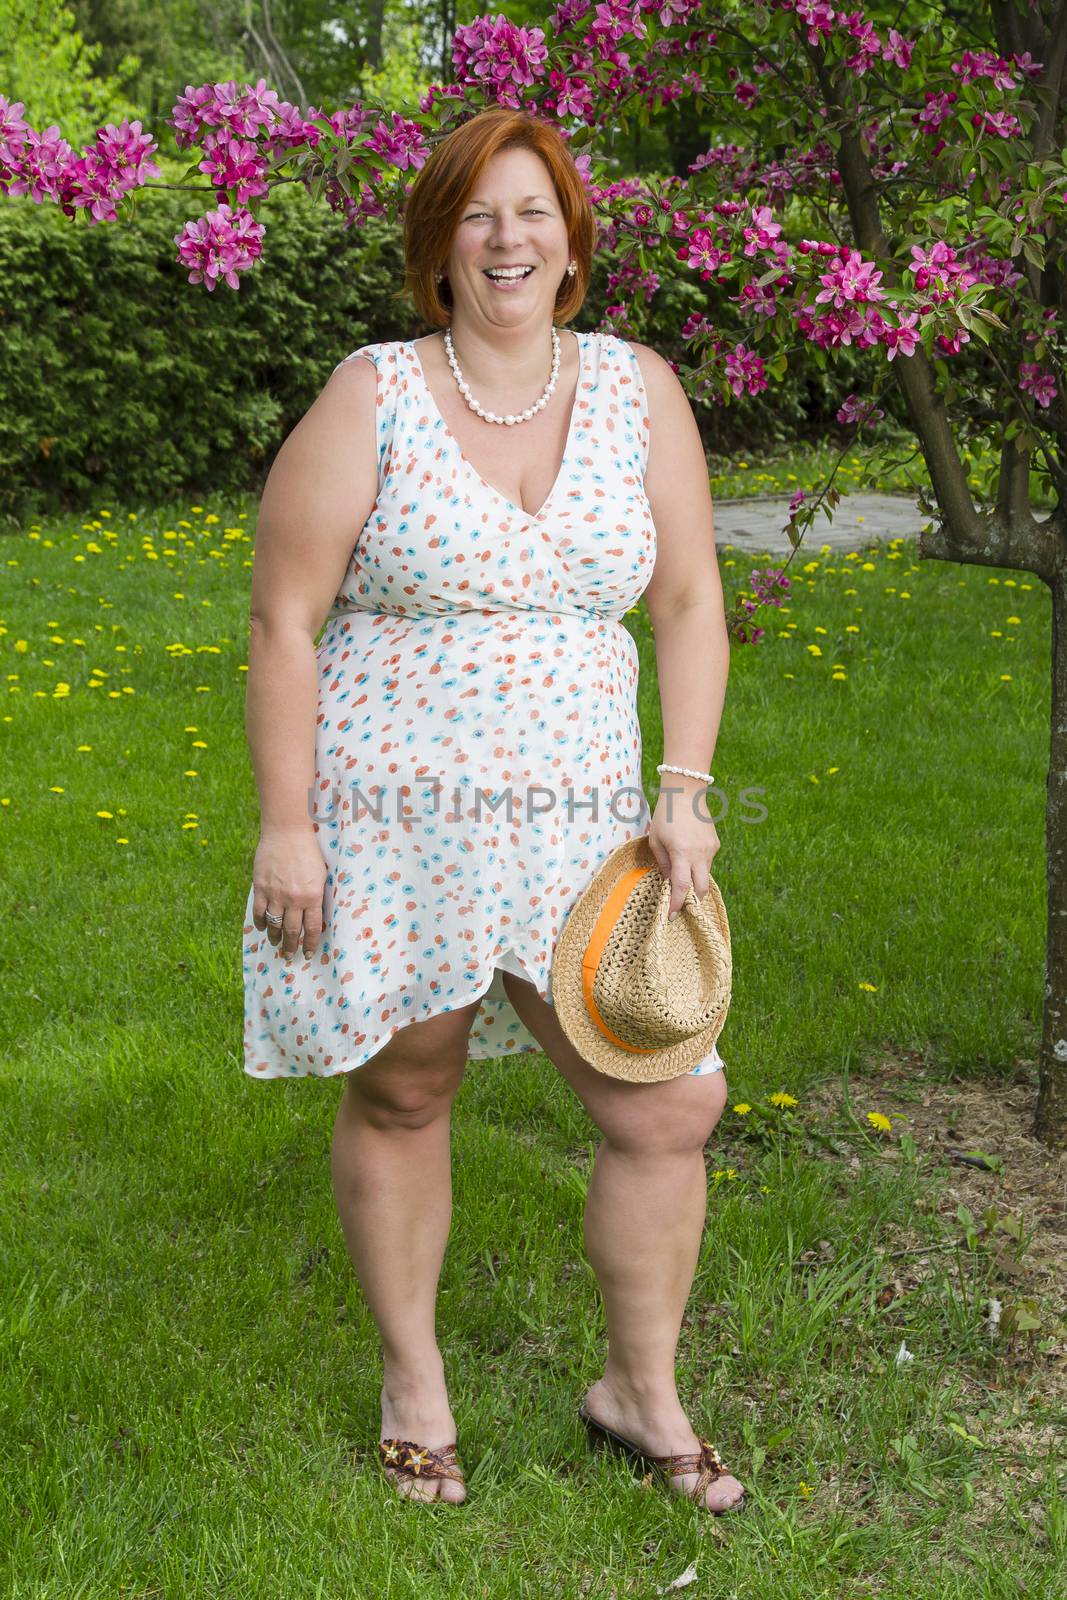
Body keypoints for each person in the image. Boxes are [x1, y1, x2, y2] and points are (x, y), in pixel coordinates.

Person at [241, 106, 742, 1512]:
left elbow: (692, 600)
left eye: (533, 212)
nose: (507, 238)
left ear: (571, 239)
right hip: (393, 817)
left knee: (667, 1103)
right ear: (438, 246)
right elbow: (286, 619)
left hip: (587, 826)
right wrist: (291, 825)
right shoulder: (373, 394)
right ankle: (417, 1383)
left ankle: (639, 1393)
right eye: (477, 214)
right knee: (405, 1088)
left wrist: (684, 790)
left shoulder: (640, 389)